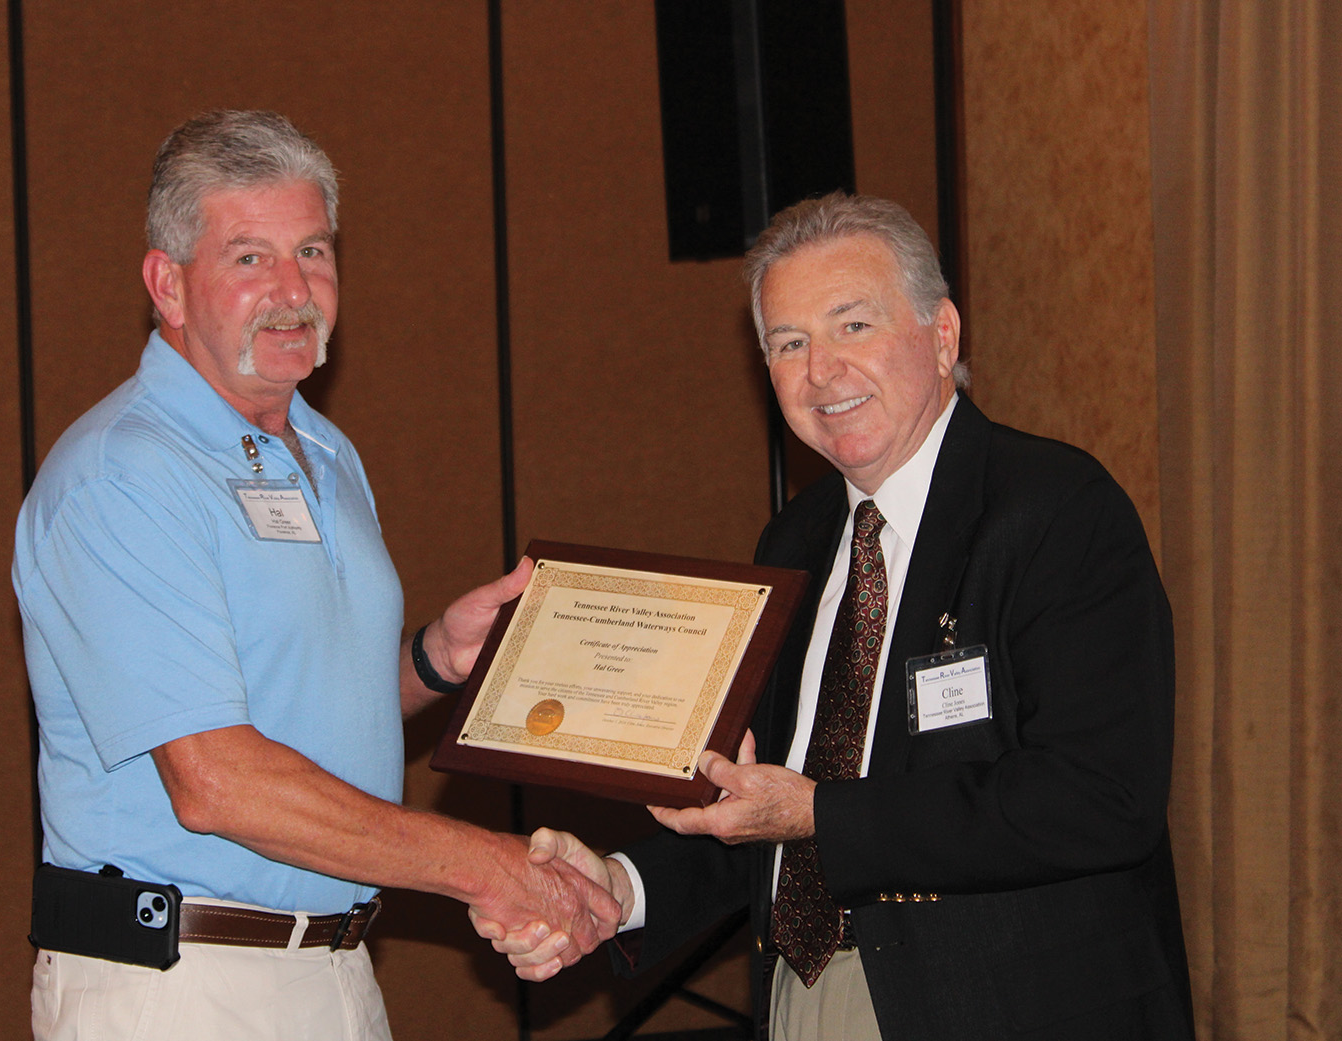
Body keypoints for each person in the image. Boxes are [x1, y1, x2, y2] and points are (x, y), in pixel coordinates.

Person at [485, 193, 1194, 1040]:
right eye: (789, 344)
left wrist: (820, 814)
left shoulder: (1055, 511)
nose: (821, 371)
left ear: (943, 335)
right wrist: (617, 885)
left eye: (853, 326)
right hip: (802, 996)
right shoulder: (795, 538)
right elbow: (758, 794)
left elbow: (1101, 797)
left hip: (1010, 1005)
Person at [13, 109, 617, 1041]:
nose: (294, 291)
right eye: (249, 258)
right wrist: (493, 867)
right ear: (167, 284)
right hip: (177, 990)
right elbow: (217, 780)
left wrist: (432, 660)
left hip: (333, 969)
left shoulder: (323, 451)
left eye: (314, 251)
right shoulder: (122, 478)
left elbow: (286, 707)